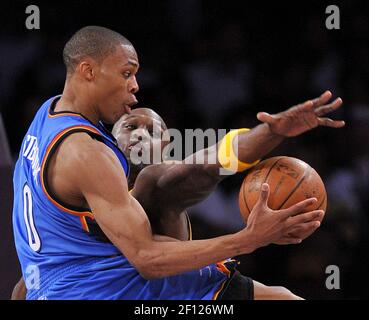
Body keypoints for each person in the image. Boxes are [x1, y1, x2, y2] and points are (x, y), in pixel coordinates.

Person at [12, 26, 338, 300]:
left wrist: (270, 131)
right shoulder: (90, 155)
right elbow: (147, 259)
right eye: (126, 73)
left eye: (152, 130)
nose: (135, 86)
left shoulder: (47, 117)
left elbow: (206, 163)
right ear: (87, 70)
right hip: (108, 289)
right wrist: (250, 238)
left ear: (168, 145)